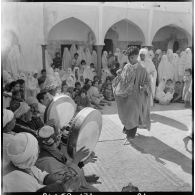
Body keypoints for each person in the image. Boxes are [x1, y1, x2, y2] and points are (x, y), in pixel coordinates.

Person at [3, 132, 78, 192]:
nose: (39, 151)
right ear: (30, 156)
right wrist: (63, 187)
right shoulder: (18, 180)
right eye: (36, 150)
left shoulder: (23, 164)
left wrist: (61, 178)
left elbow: (41, 176)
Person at [36, 125, 99, 192]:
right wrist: (76, 160)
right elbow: (66, 180)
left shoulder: (53, 149)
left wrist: (83, 163)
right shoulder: (46, 161)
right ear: (57, 138)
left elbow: (67, 168)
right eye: (59, 136)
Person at [112, 46, 151, 139]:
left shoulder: (141, 68)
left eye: (132, 57)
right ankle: (127, 129)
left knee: (133, 114)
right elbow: (123, 78)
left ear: (136, 56)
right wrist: (119, 75)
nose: (130, 59)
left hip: (136, 96)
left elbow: (147, 81)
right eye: (129, 58)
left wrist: (143, 87)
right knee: (125, 112)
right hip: (125, 95)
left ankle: (131, 134)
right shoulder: (127, 66)